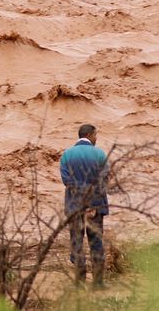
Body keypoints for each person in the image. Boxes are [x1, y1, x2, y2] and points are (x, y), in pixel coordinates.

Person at [59, 123, 109, 288]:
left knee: (77, 243)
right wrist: (92, 204)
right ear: (89, 135)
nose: (96, 138)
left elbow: (68, 181)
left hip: (75, 208)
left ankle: (79, 283)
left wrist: (82, 203)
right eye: (96, 135)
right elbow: (102, 181)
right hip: (96, 207)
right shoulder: (100, 154)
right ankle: (98, 283)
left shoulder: (66, 155)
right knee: (96, 243)